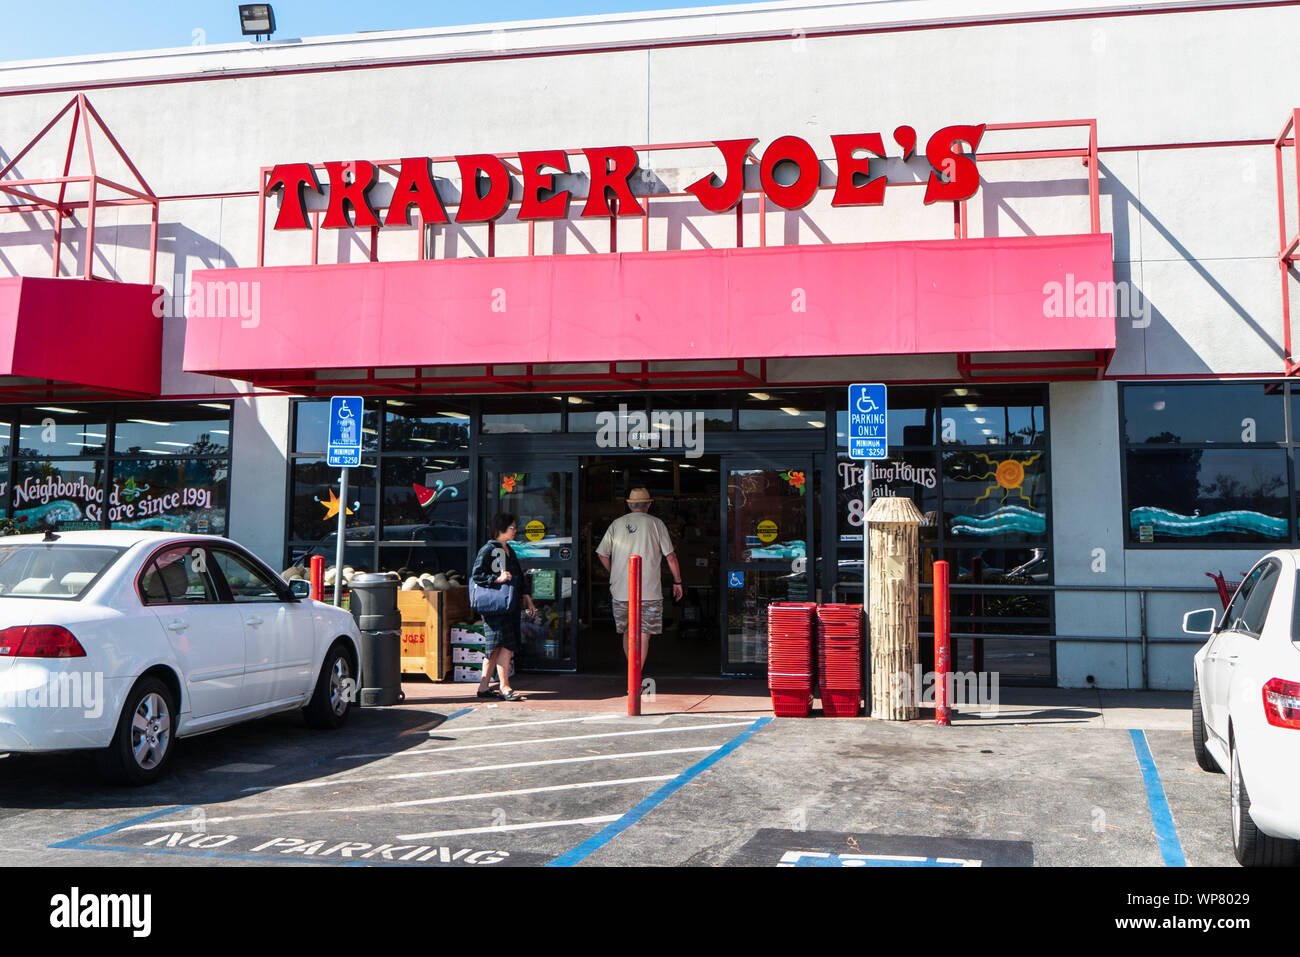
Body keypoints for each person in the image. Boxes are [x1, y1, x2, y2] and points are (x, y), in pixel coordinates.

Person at [596, 487, 683, 666]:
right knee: (644, 634)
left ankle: (632, 676)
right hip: (649, 592)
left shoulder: (616, 524)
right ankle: (637, 676)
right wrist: (677, 581)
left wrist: (615, 571)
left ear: (629, 505)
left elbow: (602, 554)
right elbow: (671, 557)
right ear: (649, 504)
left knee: (628, 632)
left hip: (621, 591)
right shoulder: (657, 524)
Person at [470, 512, 536, 701]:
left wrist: (528, 599)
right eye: (511, 527)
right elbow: (477, 575)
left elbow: (519, 578)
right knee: (501, 646)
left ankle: (484, 688)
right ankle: (504, 687)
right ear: (501, 529)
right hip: (495, 606)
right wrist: (497, 578)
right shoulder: (489, 549)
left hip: (510, 605)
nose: (515, 531)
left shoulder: (509, 549)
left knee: (497, 647)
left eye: (515, 527)